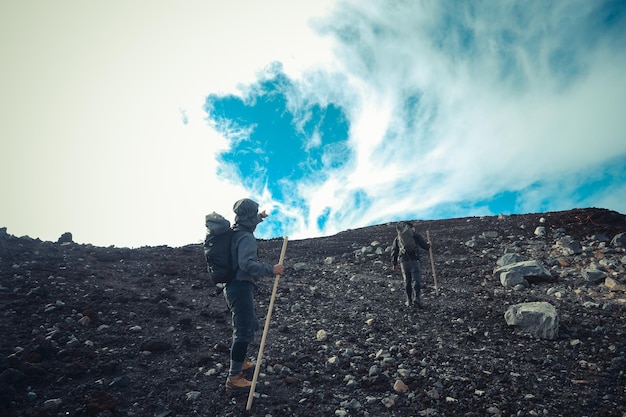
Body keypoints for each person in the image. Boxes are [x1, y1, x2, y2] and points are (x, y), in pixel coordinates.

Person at [224, 198, 285, 392]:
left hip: (233, 286)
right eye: (255, 213)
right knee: (242, 331)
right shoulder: (246, 237)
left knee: (250, 324)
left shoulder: (235, 232)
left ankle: (240, 363)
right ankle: (234, 377)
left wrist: (261, 217)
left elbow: (248, 221)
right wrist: (272, 269)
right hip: (240, 287)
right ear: (249, 215)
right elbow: (246, 264)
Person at [391, 222, 431, 309]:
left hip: (403, 261)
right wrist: (429, 245)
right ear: (411, 227)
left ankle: (409, 301)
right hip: (414, 259)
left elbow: (394, 251)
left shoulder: (398, 238)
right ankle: (417, 298)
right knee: (416, 279)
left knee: (407, 281)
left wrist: (394, 264)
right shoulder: (415, 235)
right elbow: (425, 246)